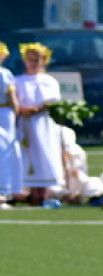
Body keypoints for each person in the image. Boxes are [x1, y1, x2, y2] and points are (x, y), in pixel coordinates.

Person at [15, 42, 62, 206]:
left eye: (37, 60)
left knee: (43, 154)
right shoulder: (18, 81)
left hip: (42, 124)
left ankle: (42, 193)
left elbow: (53, 102)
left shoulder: (49, 81)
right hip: (25, 124)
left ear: (44, 61)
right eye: (30, 60)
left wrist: (37, 109)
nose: (33, 63)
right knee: (27, 156)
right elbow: (13, 101)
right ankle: (29, 193)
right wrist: (22, 110)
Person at [0, 41, 21, 208]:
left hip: (4, 113)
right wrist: (18, 113)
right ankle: (4, 191)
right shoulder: (4, 73)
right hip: (4, 113)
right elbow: (12, 99)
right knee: (5, 151)